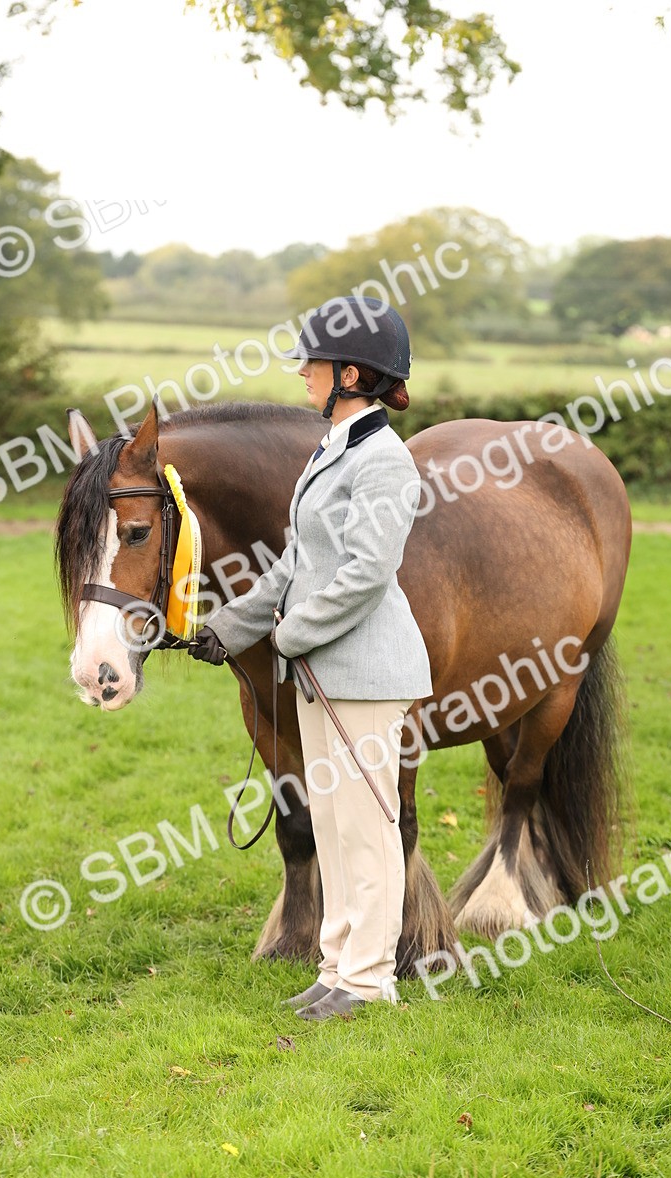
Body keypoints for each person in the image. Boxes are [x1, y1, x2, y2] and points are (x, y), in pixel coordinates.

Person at [189, 295, 433, 1021]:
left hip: (363, 672)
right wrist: (229, 628)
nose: (302, 374)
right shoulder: (331, 450)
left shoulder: (385, 462)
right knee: (330, 821)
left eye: (314, 364)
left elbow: (365, 573)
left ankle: (370, 978)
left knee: (367, 825)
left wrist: (287, 636)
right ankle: (335, 967)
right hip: (321, 672)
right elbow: (295, 564)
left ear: (350, 374)